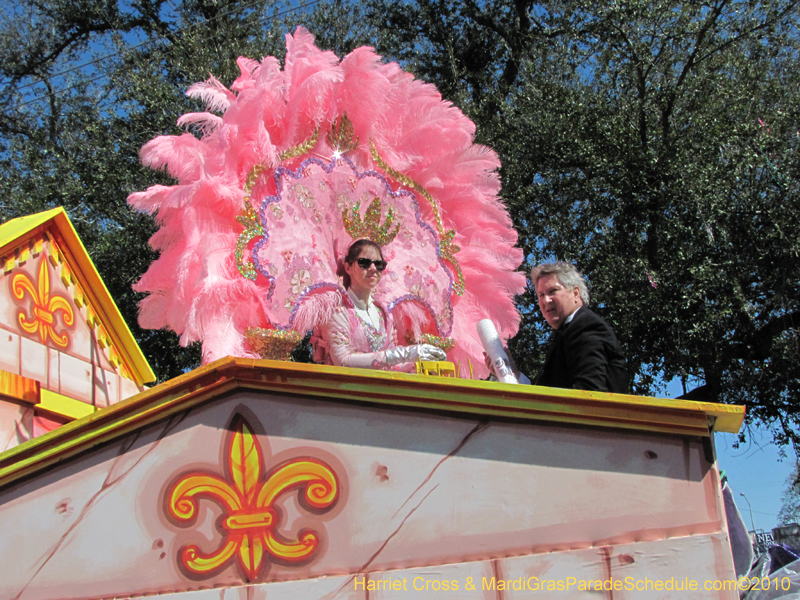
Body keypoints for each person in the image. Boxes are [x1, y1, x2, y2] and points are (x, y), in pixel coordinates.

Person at [312, 239, 447, 370]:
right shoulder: (337, 309)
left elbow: (391, 366)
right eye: (364, 262)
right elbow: (342, 361)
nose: (373, 268)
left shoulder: (383, 313)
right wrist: (403, 354)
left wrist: (417, 365)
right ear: (348, 267)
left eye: (378, 264)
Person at [531, 262, 628, 393]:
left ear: (576, 293)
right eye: (541, 295)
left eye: (553, 291)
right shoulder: (567, 331)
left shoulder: (586, 327)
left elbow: (589, 391)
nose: (545, 300)